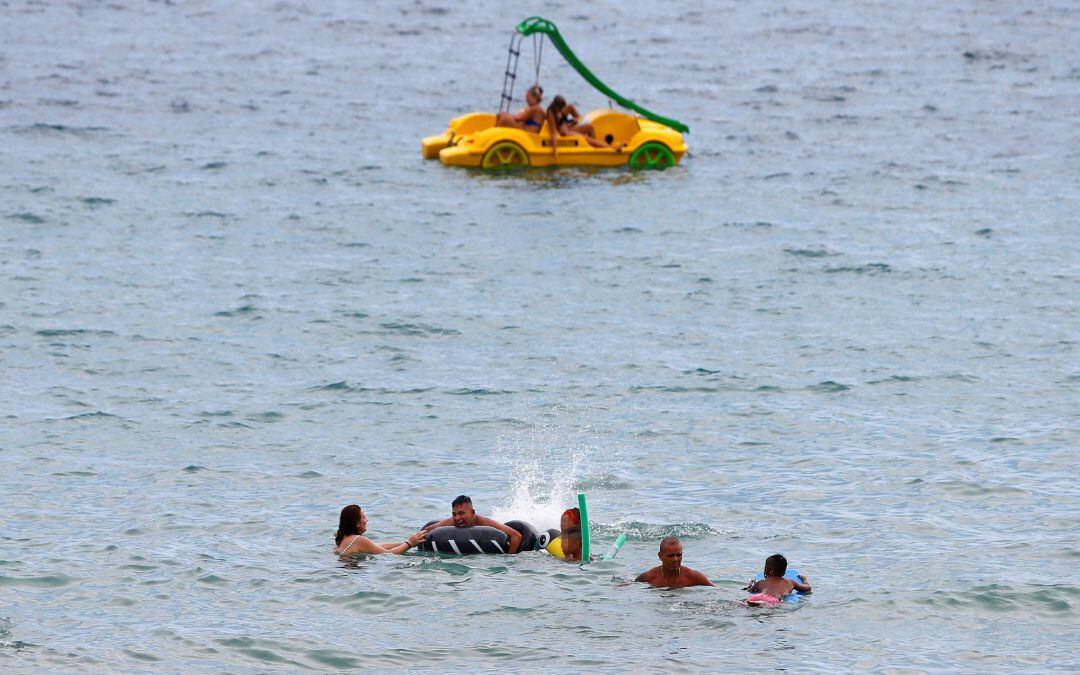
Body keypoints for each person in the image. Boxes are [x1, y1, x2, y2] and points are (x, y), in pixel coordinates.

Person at [423, 495, 523, 554]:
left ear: (472, 513)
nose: (457, 518)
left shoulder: (485, 522)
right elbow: (426, 531)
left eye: (461, 513)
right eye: (454, 514)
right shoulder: (451, 522)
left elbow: (516, 536)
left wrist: (509, 558)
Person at [545, 95, 625, 157]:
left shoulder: (560, 110)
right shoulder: (551, 114)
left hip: (569, 128)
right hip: (565, 133)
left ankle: (596, 148)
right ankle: (612, 148)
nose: (562, 110)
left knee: (590, 127)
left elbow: (563, 121)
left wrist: (573, 123)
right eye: (561, 109)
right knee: (585, 138)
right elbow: (554, 133)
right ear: (557, 107)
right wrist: (555, 151)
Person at [333, 504, 426, 556]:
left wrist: (409, 541)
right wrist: (409, 544)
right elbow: (388, 554)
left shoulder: (343, 540)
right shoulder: (358, 539)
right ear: (357, 523)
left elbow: (378, 546)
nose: (367, 520)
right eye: (364, 518)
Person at [634, 536, 715, 588]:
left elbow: (717, 591)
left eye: (679, 555)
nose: (676, 559)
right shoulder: (649, 577)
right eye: (670, 556)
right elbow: (630, 587)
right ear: (660, 556)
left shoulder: (694, 576)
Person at [743, 553, 811, 605]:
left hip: (757, 597)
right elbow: (807, 588)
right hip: (772, 599)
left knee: (742, 604)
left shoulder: (760, 582)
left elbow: (749, 591)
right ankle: (761, 604)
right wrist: (804, 578)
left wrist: (750, 584)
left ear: (766, 570)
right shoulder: (789, 582)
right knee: (770, 607)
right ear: (784, 572)